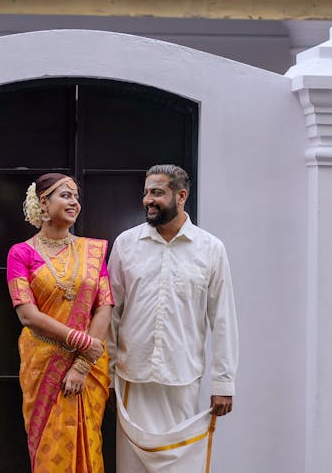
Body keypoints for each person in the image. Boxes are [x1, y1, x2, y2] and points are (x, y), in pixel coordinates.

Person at [107, 164, 239, 473]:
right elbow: (111, 312)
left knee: (180, 466)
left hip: (182, 377)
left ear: (181, 196)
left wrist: (224, 382)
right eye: (146, 193)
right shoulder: (126, 244)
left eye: (157, 193)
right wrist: (107, 371)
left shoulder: (210, 249)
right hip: (131, 378)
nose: (147, 200)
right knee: (131, 467)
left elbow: (223, 318)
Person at [6, 173, 114, 472]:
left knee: (89, 441)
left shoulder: (92, 252)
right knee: (48, 449)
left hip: (86, 367)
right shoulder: (21, 253)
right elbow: (27, 314)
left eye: (76, 197)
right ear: (43, 202)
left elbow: (104, 305)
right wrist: (84, 343)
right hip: (43, 363)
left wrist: (82, 364)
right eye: (66, 195)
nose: (74, 202)